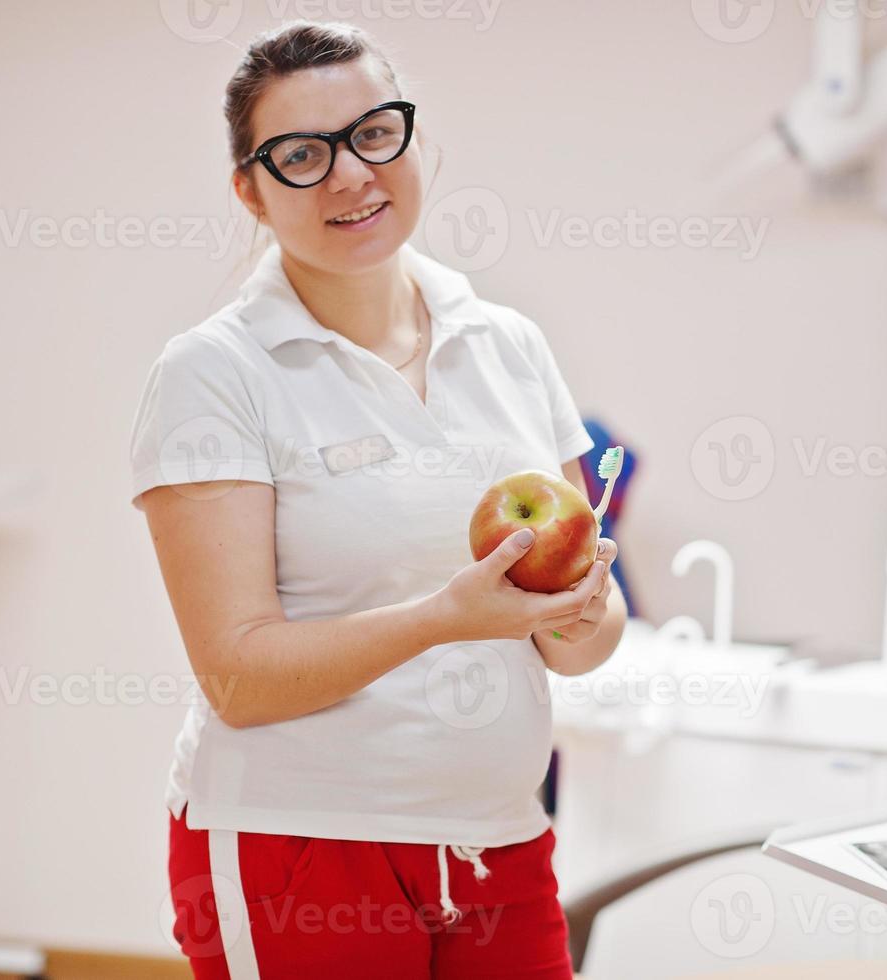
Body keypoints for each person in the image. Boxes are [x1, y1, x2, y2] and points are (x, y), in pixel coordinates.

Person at [127, 19, 627, 980]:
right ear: (251, 190)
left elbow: (586, 646)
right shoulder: (214, 373)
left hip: (499, 843)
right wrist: (447, 618)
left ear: (414, 138)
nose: (352, 175)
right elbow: (237, 676)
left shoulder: (508, 343)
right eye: (302, 156)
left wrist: (576, 612)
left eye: (372, 133)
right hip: (299, 849)